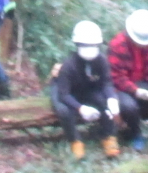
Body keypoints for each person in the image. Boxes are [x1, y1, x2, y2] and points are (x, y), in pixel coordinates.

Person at [50, 20, 121, 159]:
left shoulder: (101, 61)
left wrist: (112, 99)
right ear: (77, 44)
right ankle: (75, 141)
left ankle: (108, 136)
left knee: (105, 103)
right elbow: (64, 94)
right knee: (64, 111)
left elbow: (106, 83)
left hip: (86, 89)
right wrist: (80, 108)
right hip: (64, 92)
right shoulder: (69, 65)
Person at [107, 10, 148, 151]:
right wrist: (135, 91)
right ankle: (135, 134)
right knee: (129, 107)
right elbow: (116, 78)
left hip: (144, 82)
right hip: (122, 88)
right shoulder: (117, 44)